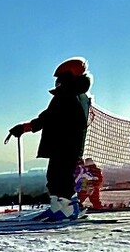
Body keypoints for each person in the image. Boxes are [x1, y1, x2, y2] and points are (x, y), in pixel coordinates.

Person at [7, 57, 93, 221]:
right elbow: (50, 117)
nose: (58, 82)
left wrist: (26, 127)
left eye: (60, 79)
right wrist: (27, 127)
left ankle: (68, 209)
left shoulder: (68, 96)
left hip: (64, 144)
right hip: (66, 144)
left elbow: (48, 118)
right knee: (55, 176)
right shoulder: (77, 95)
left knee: (60, 176)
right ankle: (58, 207)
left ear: (69, 77)